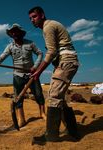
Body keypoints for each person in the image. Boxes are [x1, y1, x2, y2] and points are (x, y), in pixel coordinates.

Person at [28, 6, 80, 145]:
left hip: (67, 61)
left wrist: (38, 72)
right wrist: (38, 69)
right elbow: (55, 52)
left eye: (34, 16)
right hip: (66, 61)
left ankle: (51, 136)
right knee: (60, 98)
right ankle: (73, 131)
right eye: (30, 18)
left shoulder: (48, 27)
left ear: (42, 15)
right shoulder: (51, 25)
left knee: (54, 96)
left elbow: (51, 52)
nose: (32, 20)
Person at [0, 23, 46, 129]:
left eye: (16, 32)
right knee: (18, 97)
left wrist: (35, 67)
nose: (15, 34)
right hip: (18, 75)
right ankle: (21, 119)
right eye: (13, 32)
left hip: (32, 74)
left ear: (21, 33)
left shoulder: (30, 43)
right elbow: (3, 55)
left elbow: (40, 53)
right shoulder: (10, 46)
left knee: (38, 94)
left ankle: (42, 113)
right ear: (11, 35)